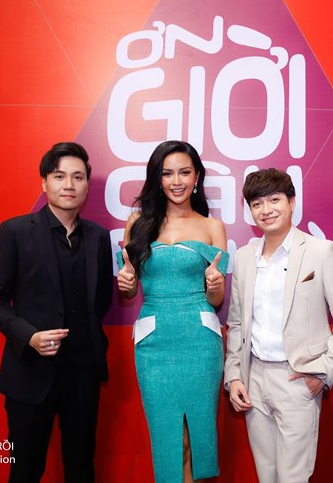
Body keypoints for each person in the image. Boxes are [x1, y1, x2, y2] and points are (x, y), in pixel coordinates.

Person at [0, 142, 113, 483]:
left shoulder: (99, 238)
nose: (69, 184)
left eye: (78, 177)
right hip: (30, 372)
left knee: (81, 468)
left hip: (83, 373)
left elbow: (100, 301)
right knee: (25, 470)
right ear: (44, 182)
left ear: (87, 185)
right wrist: (30, 336)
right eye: (59, 176)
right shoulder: (14, 231)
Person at [224, 168, 333, 483]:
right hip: (254, 379)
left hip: (297, 378)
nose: (266, 210)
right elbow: (236, 322)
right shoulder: (244, 257)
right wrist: (234, 376)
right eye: (257, 203)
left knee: (293, 478)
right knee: (266, 476)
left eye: (274, 200)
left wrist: (324, 372)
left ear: (292, 202)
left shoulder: (320, 251)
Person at [117, 140, 228, 483]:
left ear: (196, 177)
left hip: (200, 340)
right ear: (157, 178)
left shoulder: (212, 226)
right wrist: (126, 281)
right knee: (170, 440)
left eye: (184, 172)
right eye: (167, 174)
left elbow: (217, 299)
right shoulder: (137, 222)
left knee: (196, 438)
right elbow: (130, 289)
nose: (176, 181)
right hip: (154, 343)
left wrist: (214, 284)